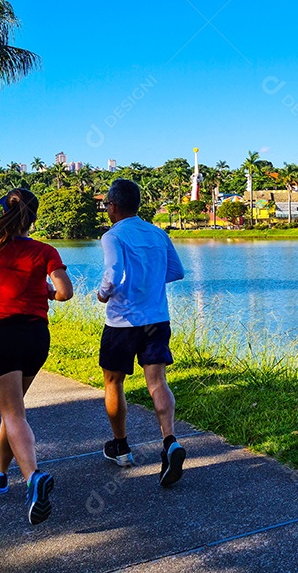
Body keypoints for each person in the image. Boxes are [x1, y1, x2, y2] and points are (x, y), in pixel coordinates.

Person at [0, 188, 73, 525]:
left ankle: (33, 477)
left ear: (2, 212)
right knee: (13, 409)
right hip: (36, 337)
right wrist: (45, 290)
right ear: (32, 217)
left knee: (13, 413)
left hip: (1, 335)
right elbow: (65, 292)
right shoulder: (44, 250)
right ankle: (1, 473)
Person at [97, 178, 186, 486]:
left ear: (113, 206)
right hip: (157, 320)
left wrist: (103, 293)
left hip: (122, 322)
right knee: (157, 381)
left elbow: (115, 271)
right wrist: (149, 284)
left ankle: (121, 447)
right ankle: (170, 441)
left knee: (114, 381)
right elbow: (176, 272)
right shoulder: (158, 233)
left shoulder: (113, 236)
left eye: (107, 205)